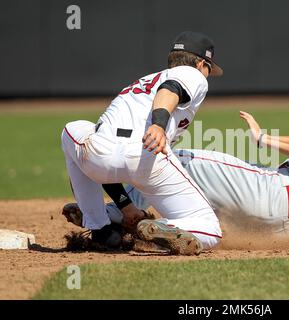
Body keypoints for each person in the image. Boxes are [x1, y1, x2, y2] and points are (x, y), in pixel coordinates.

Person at [64, 61, 289, 241]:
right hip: (285, 227)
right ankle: (171, 229)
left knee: (182, 159)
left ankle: (112, 214)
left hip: (279, 195)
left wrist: (265, 138)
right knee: (208, 197)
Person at [61, 31, 224, 255]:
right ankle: (164, 227)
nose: (207, 75)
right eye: (208, 68)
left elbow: (111, 163)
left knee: (72, 129)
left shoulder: (141, 84)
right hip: (147, 156)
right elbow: (171, 89)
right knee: (210, 227)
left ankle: (100, 229)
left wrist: (126, 207)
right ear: (200, 62)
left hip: (97, 155)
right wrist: (158, 124)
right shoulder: (191, 73)